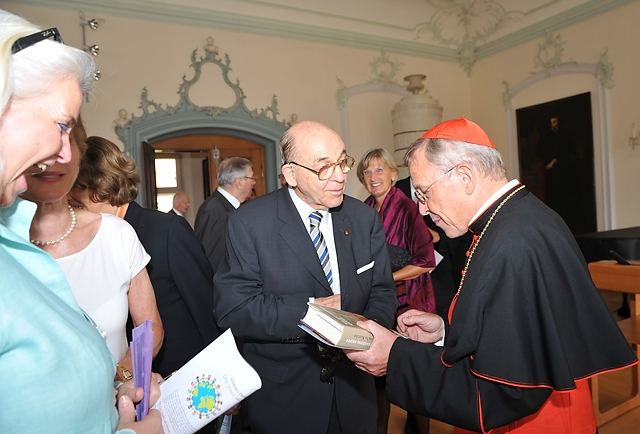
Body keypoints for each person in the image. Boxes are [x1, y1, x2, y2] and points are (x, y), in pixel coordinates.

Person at [346, 116, 638, 434]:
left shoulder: (514, 241)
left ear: (465, 176)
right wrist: (445, 331)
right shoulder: (514, 219)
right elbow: (510, 331)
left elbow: (504, 391)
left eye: (424, 193)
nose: (423, 209)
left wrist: (395, 356)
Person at [0, 10, 161, 432]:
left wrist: (122, 384)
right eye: (59, 125)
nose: (63, 153)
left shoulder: (115, 234)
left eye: (71, 134)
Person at [213, 121, 397, 434]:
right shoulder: (249, 222)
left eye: (342, 162)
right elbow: (234, 309)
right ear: (291, 174)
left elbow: (382, 291)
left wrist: (365, 338)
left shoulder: (364, 218)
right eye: (324, 167)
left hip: (355, 393)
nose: (339, 176)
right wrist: (314, 312)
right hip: (286, 400)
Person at [24, 118, 164, 382]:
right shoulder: (9, 244)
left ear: (79, 157)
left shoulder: (116, 234)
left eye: (65, 145)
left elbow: (150, 326)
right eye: (37, 147)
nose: (52, 159)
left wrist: (121, 375)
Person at [70, 136, 221, 381]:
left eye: (77, 198)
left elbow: (206, 305)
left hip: (180, 375)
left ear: (101, 185)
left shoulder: (166, 230)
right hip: (126, 378)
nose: (70, 205)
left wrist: (220, 371)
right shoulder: (88, 240)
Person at [357, 148, 435, 434]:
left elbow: (426, 262)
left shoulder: (407, 208)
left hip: (410, 306)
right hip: (377, 306)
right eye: (367, 171)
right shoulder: (364, 209)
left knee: (413, 381)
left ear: (393, 174)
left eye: (379, 170)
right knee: (376, 381)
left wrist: (385, 278)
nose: (373, 176)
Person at [194, 157, 255, 272]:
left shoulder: (225, 207)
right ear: (239, 182)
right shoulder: (213, 211)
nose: (254, 182)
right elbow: (212, 262)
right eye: (251, 178)